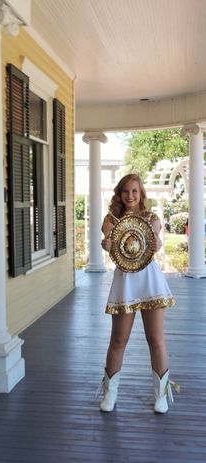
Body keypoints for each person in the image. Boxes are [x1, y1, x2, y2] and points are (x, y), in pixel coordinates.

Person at [100, 173, 176, 414]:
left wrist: (156, 243)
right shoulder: (111, 219)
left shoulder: (151, 218)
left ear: (141, 194)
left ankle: (161, 396)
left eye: (135, 191)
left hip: (150, 282)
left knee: (156, 339)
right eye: (125, 191)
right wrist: (107, 243)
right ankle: (109, 394)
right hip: (125, 282)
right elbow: (107, 238)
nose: (130, 196)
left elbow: (155, 239)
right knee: (118, 340)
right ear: (119, 194)